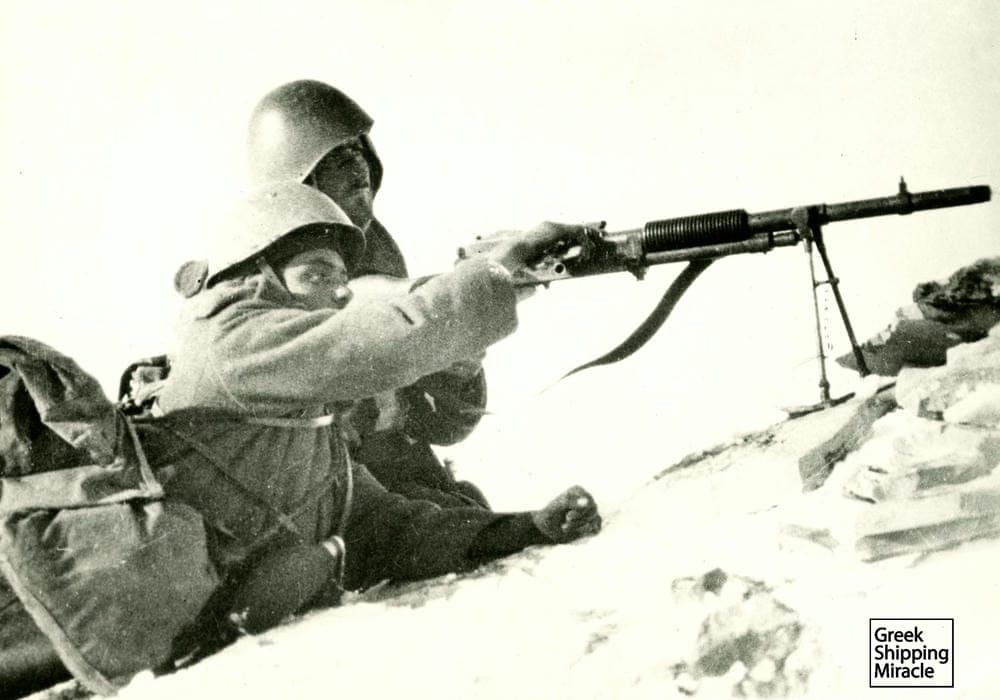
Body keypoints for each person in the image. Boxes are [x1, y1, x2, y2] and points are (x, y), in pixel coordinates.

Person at [135, 181, 602, 655]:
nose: (340, 294)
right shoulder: (233, 338)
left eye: (342, 278)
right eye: (316, 275)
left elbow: (380, 528)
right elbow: (392, 337)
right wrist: (500, 265)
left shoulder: (302, 422)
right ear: (257, 277)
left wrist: (525, 529)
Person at [246, 79, 494, 508]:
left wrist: (459, 368)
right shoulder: (268, 272)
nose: (356, 163)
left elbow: (442, 427)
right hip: (331, 487)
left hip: (397, 472)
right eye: (335, 158)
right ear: (299, 181)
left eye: (358, 150)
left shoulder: (375, 250)